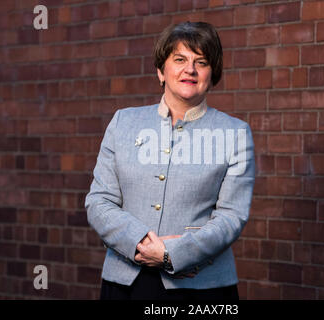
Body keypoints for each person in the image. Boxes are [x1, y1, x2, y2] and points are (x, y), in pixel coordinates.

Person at [85, 21, 255, 300]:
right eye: (180, 59)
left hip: (202, 288)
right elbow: (99, 201)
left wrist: (171, 254)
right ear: (161, 71)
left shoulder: (235, 133)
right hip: (126, 284)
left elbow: (231, 216)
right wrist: (139, 242)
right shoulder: (123, 122)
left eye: (201, 62)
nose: (190, 69)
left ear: (212, 75)